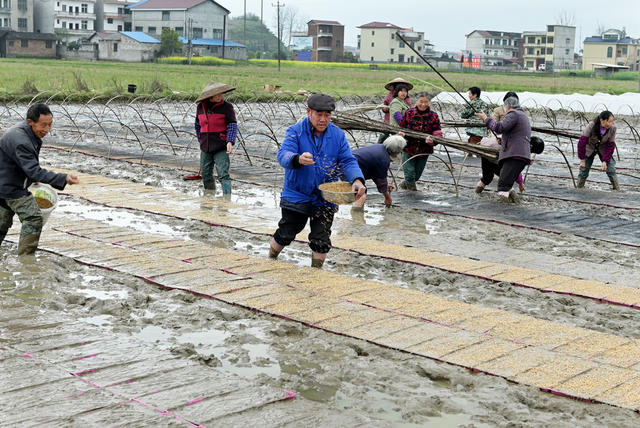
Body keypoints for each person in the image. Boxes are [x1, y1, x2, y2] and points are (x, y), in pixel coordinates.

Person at [268, 94, 366, 268]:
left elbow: (347, 160)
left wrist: (357, 179)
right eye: (319, 114)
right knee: (287, 232)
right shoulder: (295, 131)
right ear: (308, 112)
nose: (323, 119)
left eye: (327, 115)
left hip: (325, 196)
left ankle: (316, 273)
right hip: (297, 192)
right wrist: (297, 158)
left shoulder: (337, 135)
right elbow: (283, 155)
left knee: (321, 239)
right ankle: (271, 259)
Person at [0, 103, 79, 255]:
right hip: (11, 187)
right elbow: (35, 171)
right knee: (34, 217)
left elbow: (23, 165)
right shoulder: (22, 141)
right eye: (43, 125)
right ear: (30, 122)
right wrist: (64, 178)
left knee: (1, 222)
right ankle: (26, 259)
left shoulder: (23, 131)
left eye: (50, 125)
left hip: (3, 182)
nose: (47, 129)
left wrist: (30, 175)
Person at [476, 96, 531, 203]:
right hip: (519, 154)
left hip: (514, 155)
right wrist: (503, 140)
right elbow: (515, 135)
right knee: (506, 182)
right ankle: (515, 202)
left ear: (508, 106)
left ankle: (503, 211)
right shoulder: (522, 115)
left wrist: (485, 118)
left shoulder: (513, 114)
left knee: (503, 185)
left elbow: (500, 128)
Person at [194, 81, 237, 196]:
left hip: (221, 146)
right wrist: (200, 139)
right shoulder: (200, 108)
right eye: (217, 95)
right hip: (205, 146)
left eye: (221, 94)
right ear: (209, 96)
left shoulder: (227, 107)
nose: (220, 96)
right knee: (206, 173)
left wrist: (230, 141)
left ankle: (227, 200)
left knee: (223, 173)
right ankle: (209, 197)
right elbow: (198, 125)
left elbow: (232, 125)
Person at [398, 92, 442, 191]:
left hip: (424, 149)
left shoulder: (433, 116)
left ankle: (403, 186)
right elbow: (402, 127)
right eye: (421, 101)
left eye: (426, 102)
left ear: (429, 103)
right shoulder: (409, 113)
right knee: (409, 175)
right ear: (416, 101)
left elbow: (437, 132)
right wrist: (402, 134)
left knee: (416, 176)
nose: (423, 104)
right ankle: (412, 195)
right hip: (408, 147)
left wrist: (432, 140)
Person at [475, 136, 545, 197]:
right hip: (492, 153)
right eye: (531, 152)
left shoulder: (520, 139)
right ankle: (511, 200)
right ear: (531, 146)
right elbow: (513, 168)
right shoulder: (520, 149)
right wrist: (520, 183)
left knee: (487, 178)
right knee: (506, 179)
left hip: (486, 151)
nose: (529, 153)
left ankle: (477, 194)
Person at [351, 135, 407, 208]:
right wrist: (387, 198)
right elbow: (381, 183)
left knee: (360, 191)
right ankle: (357, 216)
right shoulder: (383, 159)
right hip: (349, 169)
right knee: (361, 194)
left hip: (348, 165)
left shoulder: (379, 147)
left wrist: (385, 186)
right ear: (397, 151)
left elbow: (377, 175)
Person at [577, 111, 619, 190]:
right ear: (602, 120)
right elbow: (582, 142)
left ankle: (617, 189)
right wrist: (582, 159)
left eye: (612, 122)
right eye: (609, 121)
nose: (611, 124)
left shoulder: (613, 128)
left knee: (611, 169)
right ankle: (579, 188)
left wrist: (605, 161)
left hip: (603, 149)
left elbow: (610, 146)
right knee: (584, 170)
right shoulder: (592, 125)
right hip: (590, 147)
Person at [378, 77, 413, 142]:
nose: (403, 92)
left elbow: (410, 108)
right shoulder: (391, 97)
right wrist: (386, 108)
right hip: (392, 122)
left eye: (405, 91)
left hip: (402, 123)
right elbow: (396, 115)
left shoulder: (405, 98)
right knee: (387, 137)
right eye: (400, 90)